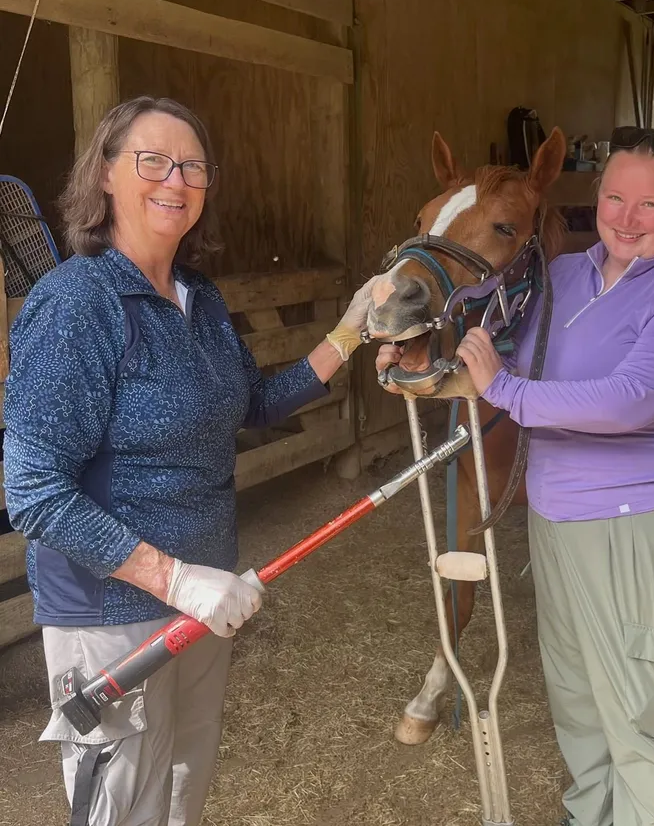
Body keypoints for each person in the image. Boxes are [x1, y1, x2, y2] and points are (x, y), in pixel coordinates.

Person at [2, 95, 377, 826]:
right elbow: (34, 492)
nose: (175, 178)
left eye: (193, 165)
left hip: (206, 599)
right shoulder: (77, 304)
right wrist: (173, 578)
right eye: (152, 160)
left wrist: (352, 332)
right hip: (113, 609)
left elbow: (254, 404)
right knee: (121, 801)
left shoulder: (197, 297)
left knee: (180, 792)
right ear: (106, 174)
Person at [379, 127, 654, 826]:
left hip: (642, 525)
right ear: (593, 198)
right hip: (557, 520)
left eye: (650, 205)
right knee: (574, 691)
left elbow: (625, 402)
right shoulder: (561, 277)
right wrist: (422, 364)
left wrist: (502, 391)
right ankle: (588, 810)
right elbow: (496, 348)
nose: (627, 217)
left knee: (645, 704)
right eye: (615, 196)